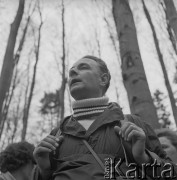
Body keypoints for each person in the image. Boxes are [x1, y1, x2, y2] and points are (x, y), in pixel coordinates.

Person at [33, 55, 177, 180]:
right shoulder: (56, 135)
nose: (72, 72)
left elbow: (172, 174)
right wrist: (43, 170)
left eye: (83, 67)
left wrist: (144, 158)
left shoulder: (133, 124)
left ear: (103, 79)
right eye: (71, 71)